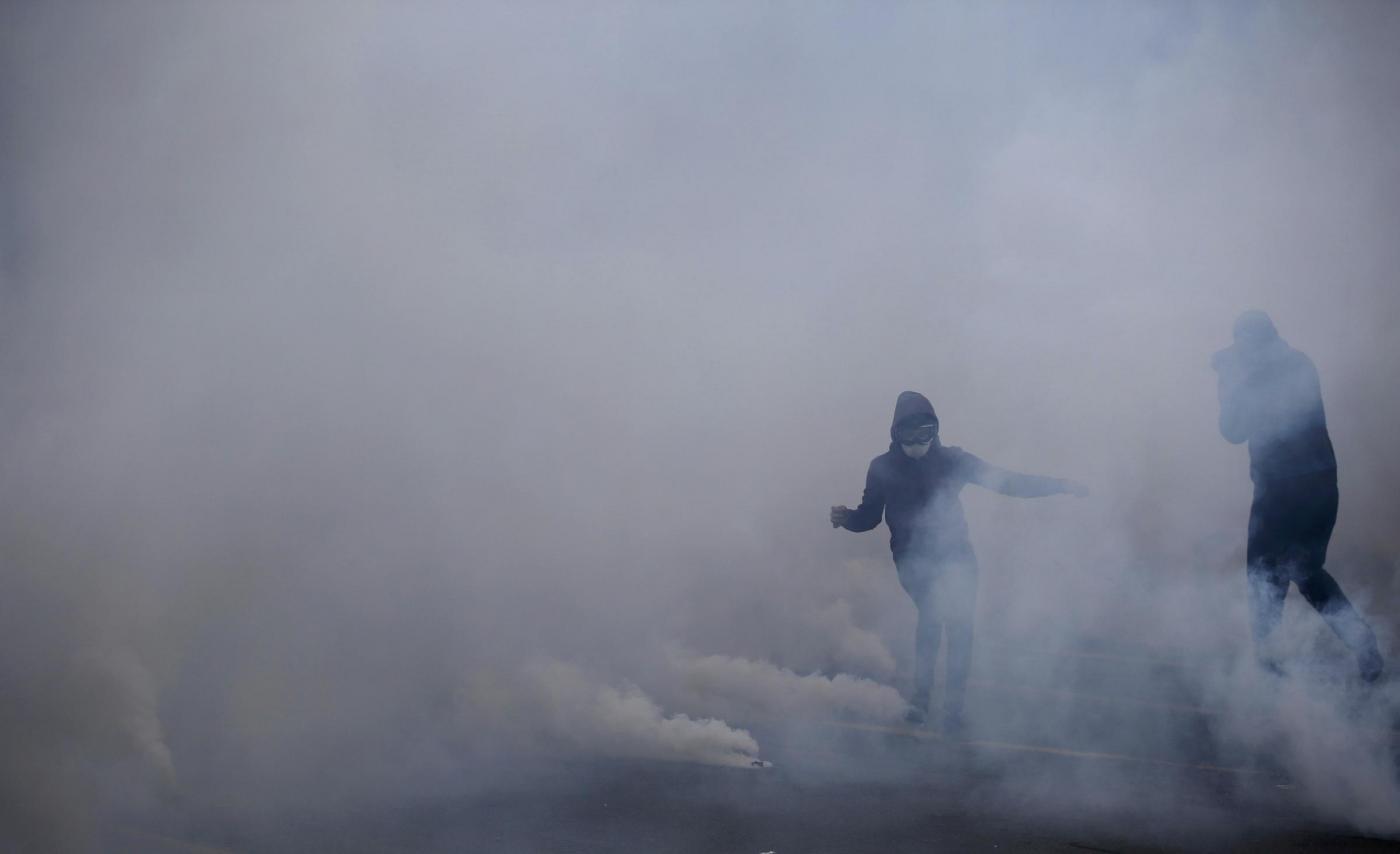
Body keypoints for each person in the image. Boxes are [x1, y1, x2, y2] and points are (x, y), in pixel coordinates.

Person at [830, 391, 1087, 733]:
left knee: (960, 626)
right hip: (910, 559)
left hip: (957, 556)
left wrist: (1062, 485)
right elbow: (869, 517)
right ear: (896, 434)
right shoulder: (882, 467)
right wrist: (846, 518)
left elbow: (1009, 482)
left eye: (926, 433)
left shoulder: (953, 460)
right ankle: (921, 702)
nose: (919, 442)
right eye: (910, 435)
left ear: (936, 431)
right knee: (934, 616)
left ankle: (952, 708)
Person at [1213, 310, 1383, 682]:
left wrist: (1227, 380)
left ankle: (1269, 665)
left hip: (1280, 490)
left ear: (1253, 343)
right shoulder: (1299, 364)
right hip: (1319, 485)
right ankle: (1362, 644)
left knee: (1263, 574)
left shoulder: (1261, 375)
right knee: (1305, 572)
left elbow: (1232, 430)